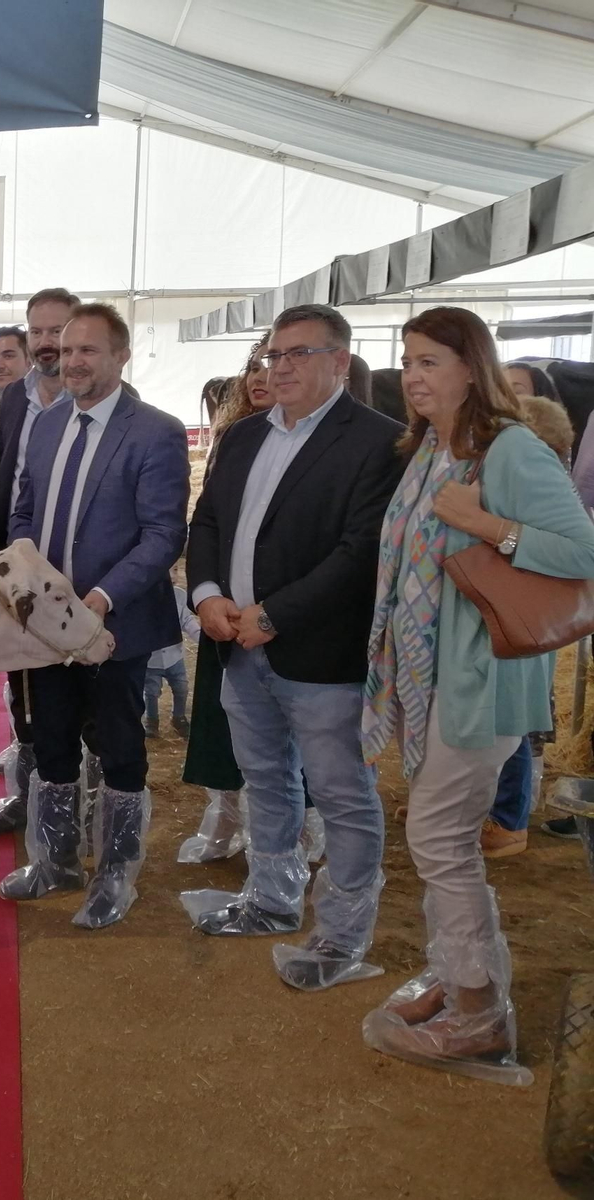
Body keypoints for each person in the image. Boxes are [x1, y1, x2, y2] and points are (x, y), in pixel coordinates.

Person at [361, 306, 594, 1083]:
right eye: (408, 361)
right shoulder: (431, 447)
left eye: (431, 361)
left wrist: (489, 525)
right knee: (444, 838)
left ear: (473, 367)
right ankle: (459, 974)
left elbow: (582, 550)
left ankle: (478, 1015)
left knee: (439, 841)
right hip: (435, 681)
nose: (414, 376)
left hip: (481, 678)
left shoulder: (512, 449)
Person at [186, 304, 404, 991]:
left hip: (321, 657)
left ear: (340, 362)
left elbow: (358, 553)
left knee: (342, 796)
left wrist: (275, 615)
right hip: (237, 646)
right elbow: (209, 521)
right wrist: (209, 594)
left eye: (296, 355)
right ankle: (272, 900)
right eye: (271, 356)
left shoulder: (379, 442)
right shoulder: (246, 436)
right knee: (266, 781)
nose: (277, 368)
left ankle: (342, 935)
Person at [3, 303, 189, 928]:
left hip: (115, 624)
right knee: (50, 735)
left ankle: (116, 872)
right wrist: (28, 579)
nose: (73, 359)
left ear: (120, 356)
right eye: (65, 347)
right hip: (47, 625)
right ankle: (55, 860)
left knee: (117, 744)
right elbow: (24, 512)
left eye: (88, 350)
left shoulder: (155, 431)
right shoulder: (49, 424)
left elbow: (163, 535)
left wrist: (103, 598)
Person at [0, 289, 81, 837]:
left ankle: (69, 808)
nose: (47, 342)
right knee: (21, 683)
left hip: (74, 571)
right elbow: (1, 464)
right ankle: (29, 794)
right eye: (37, 331)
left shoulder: (98, 402)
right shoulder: (15, 397)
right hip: (15, 556)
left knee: (74, 698)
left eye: (57, 331)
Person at [179, 344, 267, 863]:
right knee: (221, 719)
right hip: (226, 607)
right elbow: (207, 520)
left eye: (271, 367)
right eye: (253, 368)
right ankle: (226, 821)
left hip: (280, 611)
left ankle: (290, 833)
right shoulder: (234, 439)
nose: (260, 377)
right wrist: (208, 594)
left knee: (286, 733)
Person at [480, 393, 575, 857]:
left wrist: (491, 528)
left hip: (526, 618)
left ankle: (509, 819)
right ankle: (491, 809)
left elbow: (576, 552)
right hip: (514, 616)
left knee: (513, 721)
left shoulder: (540, 483)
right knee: (504, 719)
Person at [144, 584, 198, 739]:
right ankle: (151, 720)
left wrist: (200, 635)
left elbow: (186, 619)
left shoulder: (179, 595)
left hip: (175, 656)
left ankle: (179, 717)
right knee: (151, 691)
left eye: (175, 569)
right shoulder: (142, 597)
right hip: (150, 659)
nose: (171, 574)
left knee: (181, 687)